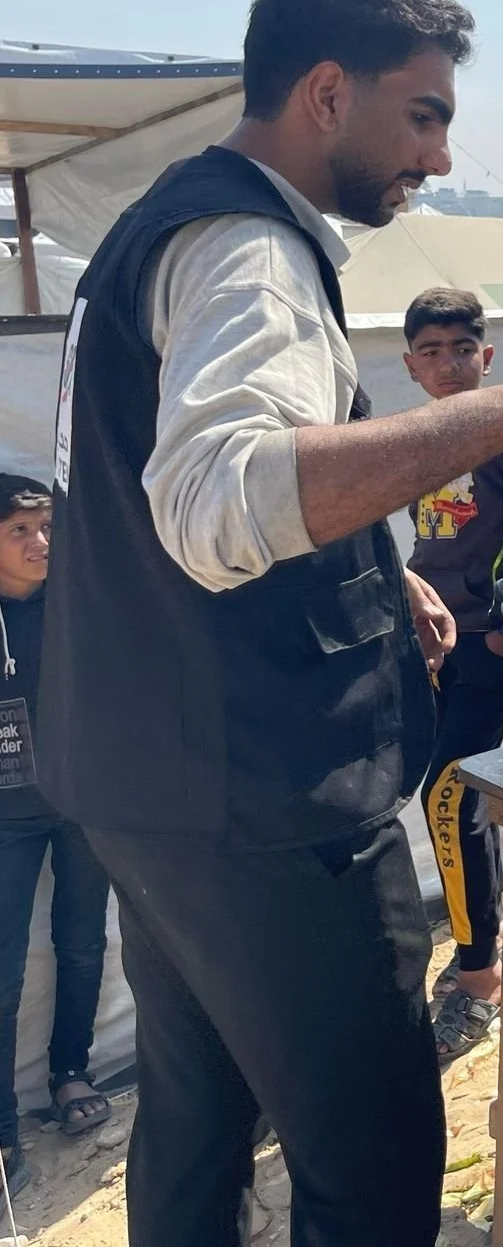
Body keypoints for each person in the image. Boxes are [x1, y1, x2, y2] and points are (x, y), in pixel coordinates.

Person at [39, 0, 503, 1247]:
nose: (439, 156)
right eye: (423, 113)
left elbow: (171, 489)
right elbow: (219, 500)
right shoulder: (250, 253)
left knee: (197, 1127)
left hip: (135, 775)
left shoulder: (166, 221)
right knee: (373, 1166)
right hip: (259, 800)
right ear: (328, 92)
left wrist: (386, 580)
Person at [402, 286, 503, 1062]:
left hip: (493, 647)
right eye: (431, 352)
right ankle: (477, 947)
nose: (448, 364)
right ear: (410, 366)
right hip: (436, 646)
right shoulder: (409, 440)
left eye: (462, 349)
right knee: (454, 802)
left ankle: (479, 977)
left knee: (449, 794)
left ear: (486, 358)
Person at [0, 475, 111, 1199]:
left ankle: (72, 1073)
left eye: (47, 528)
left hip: (83, 804)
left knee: (82, 943)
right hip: (6, 819)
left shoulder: (79, 601)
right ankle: (3, 1125)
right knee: (3, 968)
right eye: (20, 531)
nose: (41, 544)